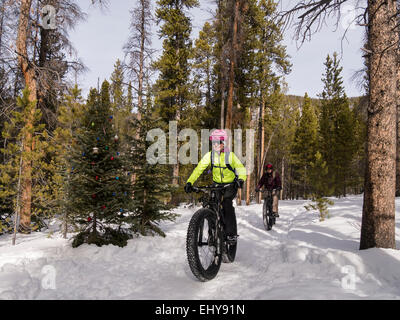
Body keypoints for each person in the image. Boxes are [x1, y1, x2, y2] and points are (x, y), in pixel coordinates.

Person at [184, 129, 247, 243]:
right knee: (212, 205)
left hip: (230, 185)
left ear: (224, 143)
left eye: (218, 142)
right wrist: (190, 182)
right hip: (217, 184)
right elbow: (198, 169)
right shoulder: (210, 156)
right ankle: (213, 232)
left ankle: (231, 234)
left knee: (227, 204)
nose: (216, 145)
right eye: (213, 143)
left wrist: (241, 180)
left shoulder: (230, 156)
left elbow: (241, 169)